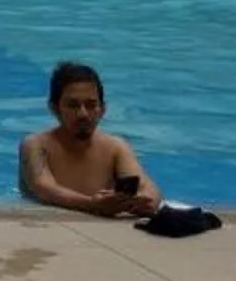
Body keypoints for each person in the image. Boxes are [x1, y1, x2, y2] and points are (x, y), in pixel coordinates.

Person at [18, 61, 161, 217]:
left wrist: (147, 201)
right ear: (54, 109)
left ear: (103, 109)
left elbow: (146, 186)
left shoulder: (115, 147)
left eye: (91, 105)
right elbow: (44, 188)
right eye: (73, 105)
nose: (83, 114)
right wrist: (92, 205)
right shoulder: (36, 145)